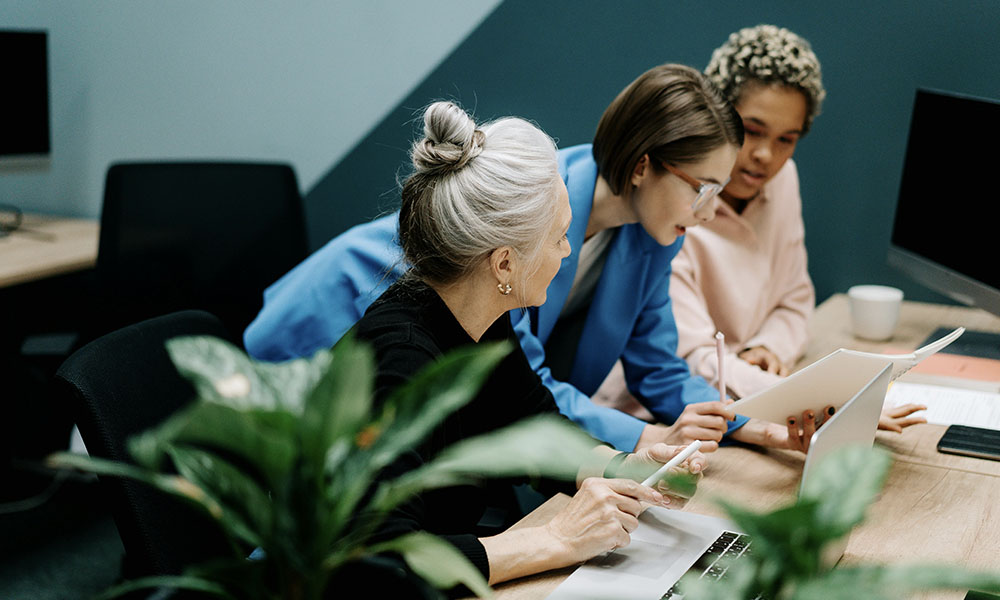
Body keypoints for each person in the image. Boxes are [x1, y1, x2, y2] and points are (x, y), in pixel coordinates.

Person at [245, 63, 822, 454]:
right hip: (336, 318)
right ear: (644, 166)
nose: (707, 212)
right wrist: (645, 441)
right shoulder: (536, 220)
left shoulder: (653, 235)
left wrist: (753, 427)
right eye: (703, 189)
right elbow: (530, 381)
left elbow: (659, 367)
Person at [358, 100, 706, 587]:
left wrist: (628, 468)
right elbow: (377, 561)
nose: (568, 252)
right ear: (503, 264)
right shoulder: (399, 360)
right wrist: (557, 539)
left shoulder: (483, 319)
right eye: (560, 237)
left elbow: (535, 425)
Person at [599, 25, 924, 433]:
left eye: (786, 139)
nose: (766, 156)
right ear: (717, 116)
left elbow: (794, 297)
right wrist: (816, 399)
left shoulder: (783, 179)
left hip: (743, 399)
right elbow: (687, 359)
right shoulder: (671, 205)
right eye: (751, 131)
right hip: (657, 415)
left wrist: (767, 347)